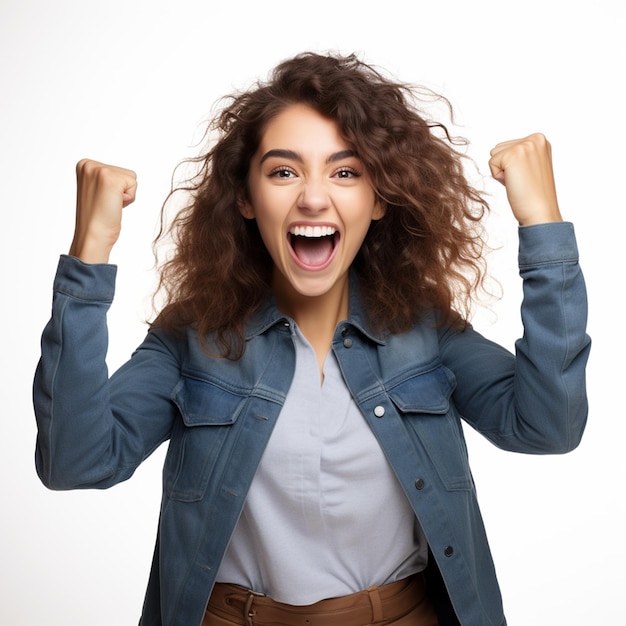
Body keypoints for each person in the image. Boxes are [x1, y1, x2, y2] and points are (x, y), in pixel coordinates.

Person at [32, 52, 591, 626]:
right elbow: (75, 462)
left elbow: (548, 427)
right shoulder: (191, 336)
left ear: (378, 199)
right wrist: (90, 253)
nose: (314, 197)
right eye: (283, 171)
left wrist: (542, 225)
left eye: (345, 172)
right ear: (246, 198)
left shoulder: (426, 331)